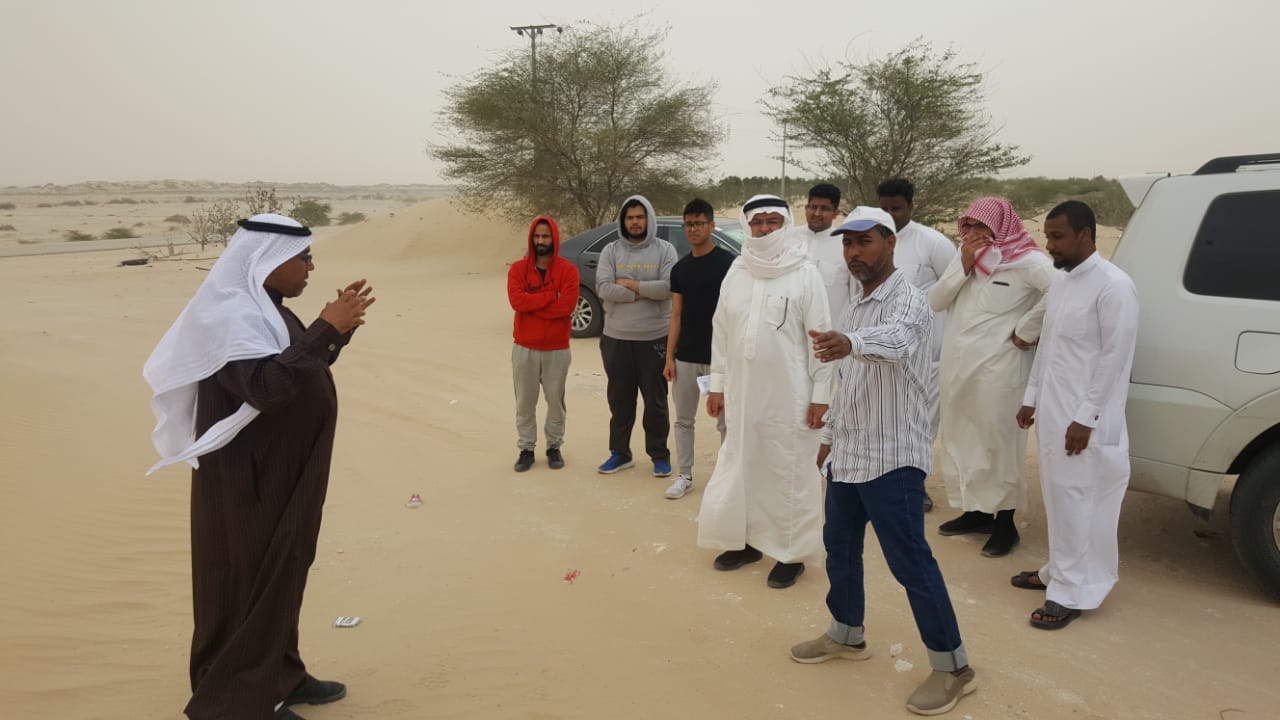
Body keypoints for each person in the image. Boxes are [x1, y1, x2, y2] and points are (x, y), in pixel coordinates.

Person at [143, 214, 374, 720]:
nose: (311, 267)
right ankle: (233, 701)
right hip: (249, 480)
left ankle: (282, 674)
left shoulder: (265, 309)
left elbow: (297, 369)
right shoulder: (229, 317)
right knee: (249, 580)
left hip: (282, 472)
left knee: (283, 573)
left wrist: (335, 333)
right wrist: (322, 329)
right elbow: (266, 389)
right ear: (267, 260)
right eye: (303, 257)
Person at [795, 206, 976, 717]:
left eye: (864, 242)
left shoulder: (911, 302)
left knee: (910, 563)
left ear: (890, 244)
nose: (853, 253)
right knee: (840, 549)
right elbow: (849, 381)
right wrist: (829, 434)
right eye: (847, 244)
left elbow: (894, 344)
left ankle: (954, 668)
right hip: (849, 455)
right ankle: (847, 634)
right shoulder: (856, 303)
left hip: (893, 456)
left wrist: (850, 343)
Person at [697, 194, 833, 589]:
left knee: (788, 469)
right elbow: (721, 333)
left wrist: (821, 394)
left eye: (774, 221)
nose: (765, 229)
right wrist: (718, 386)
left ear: (786, 225)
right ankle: (746, 542)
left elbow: (820, 338)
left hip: (790, 395)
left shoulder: (805, 273)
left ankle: (790, 552)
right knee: (743, 464)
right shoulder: (738, 271)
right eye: (758, 222)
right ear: (747, 227)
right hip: (742, 394)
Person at [1014, 200, 1138, 630]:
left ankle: (1070, 592)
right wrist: (1031, 397)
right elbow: (1048, 346)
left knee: (1082, 502)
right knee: (1060, 499)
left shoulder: (1113, 286)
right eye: (1048, 237)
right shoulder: (1064, 281)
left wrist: (1086, 417)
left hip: (1085, 424)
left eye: (1058, 237)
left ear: (1086, 234)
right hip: (1053, 413)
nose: (1050, 246)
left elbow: (1114, 359)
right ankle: (1058, 572)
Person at [927, 197, 1056, 558]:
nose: (972, 234)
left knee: (999, 442)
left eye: (980, 227)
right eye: (967, 226)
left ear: (1000, 227)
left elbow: (1059, 291)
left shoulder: (1028, 262)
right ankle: (976, 511)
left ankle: (1004, 523)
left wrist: (1027, 329)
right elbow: (935, 301)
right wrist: (963, 265)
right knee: (963, 436)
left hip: (1000, 370)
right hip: (958, 366)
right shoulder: (964, 257)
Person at [877, 177, 958, 514]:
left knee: (922, 423)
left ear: (910, 206)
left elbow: (953, 289)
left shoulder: (933, 243)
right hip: (882, 348)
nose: (890, 215)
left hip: (926, 352)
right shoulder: (872, 239)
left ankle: (916, 486)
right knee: (885, 418)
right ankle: (881, 482)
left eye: (896, 208)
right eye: (884, 208)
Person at [595, 195, 679, 476]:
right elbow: (605, 288)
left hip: (655, 337)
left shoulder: (665, 250)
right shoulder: (610, 251)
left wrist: (630, 284)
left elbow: (668, 288)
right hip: (616, 338)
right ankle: (620, 453)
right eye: (630, 217)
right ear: (623, 220)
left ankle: (659, 455)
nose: (634, 222)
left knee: (655, 402)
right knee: (620, 400)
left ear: (649, 219)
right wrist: (646, 291)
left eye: (640, 217)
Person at [662, 198, 734, 499]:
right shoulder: (680, 269)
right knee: (683, 419)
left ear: (712, 225)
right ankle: (685, 475)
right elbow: (676, 314)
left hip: (720, 359)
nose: (693, 229)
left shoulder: (730, 264)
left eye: (699, 223)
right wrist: (669, 356)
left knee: (727, 423)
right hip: (687, 357)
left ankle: (729, 478)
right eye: (689, 224)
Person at [507, 215, 579, 472]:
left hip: (557, 349)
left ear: (554, 238)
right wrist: (550, 296)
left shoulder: (568, 271)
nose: (541, 241)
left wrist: (534, 302)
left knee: (555, 402)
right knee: (525, 402)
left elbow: (566, 307)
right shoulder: (517, 269)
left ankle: (554, 447)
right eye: (537, 236)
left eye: (545, 236)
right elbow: (517, 302)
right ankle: (526, 448)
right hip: (524, 347)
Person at [790, 182, 857, 319]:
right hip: (791, 333)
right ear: (806, 208)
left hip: (831, 333)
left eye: (825, 209)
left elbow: (855, 295)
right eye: (813, 207)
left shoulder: (846, 245)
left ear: (835, 213)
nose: (817, 213)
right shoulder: (789, 239)